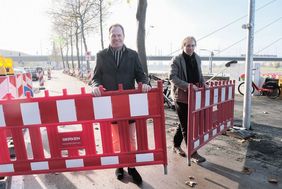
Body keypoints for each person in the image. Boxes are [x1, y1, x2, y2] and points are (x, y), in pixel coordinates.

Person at [91, 23, 151, 185]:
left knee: (130, 137)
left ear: (123, 36)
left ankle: (131, 166)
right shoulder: (101, 55)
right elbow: (96, 76)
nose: (116, 38)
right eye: (113, 35)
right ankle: (119, 165)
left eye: (119, 35)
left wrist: (144, 83)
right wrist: (95, 85)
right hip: (111, 104)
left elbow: (140, 74)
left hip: (129, 103)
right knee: (116, 137)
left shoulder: (132, 54)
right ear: (109, 36)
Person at [169, 36, 206, 163]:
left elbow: (200, 75)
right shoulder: (177, 59)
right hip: (182, 97)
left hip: (194, 95)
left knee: (183, 122)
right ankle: (193, 152)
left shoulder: (197, 58)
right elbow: (172, 77)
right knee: (187, 125)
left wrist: (203, 83)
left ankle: (175, 145)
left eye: (192, 45)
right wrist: (188, 86)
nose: (190, 48)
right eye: (187, 45)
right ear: (183, 46)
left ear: (195, 46)